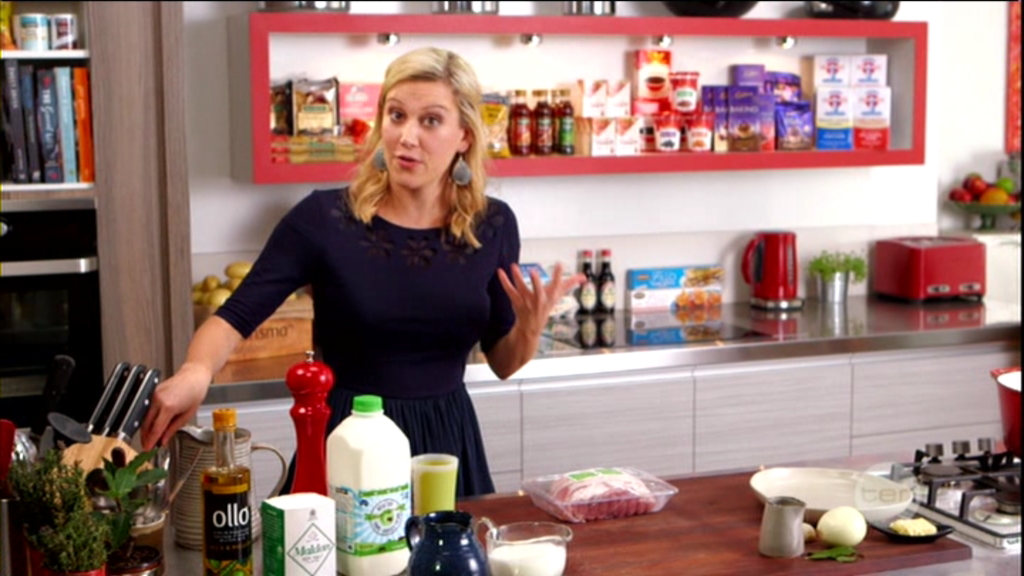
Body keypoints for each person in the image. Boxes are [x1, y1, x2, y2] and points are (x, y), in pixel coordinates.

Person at [140, 47, 582, 496]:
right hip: (348, 444)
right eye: (396, 116)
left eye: (430, 121)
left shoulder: (492, 225)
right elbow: (234, 317)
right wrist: (196, 371)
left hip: (446, 445)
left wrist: (529, 327)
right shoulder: (323, 219)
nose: (407, 136)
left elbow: (504, 362)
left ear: (465, 135)